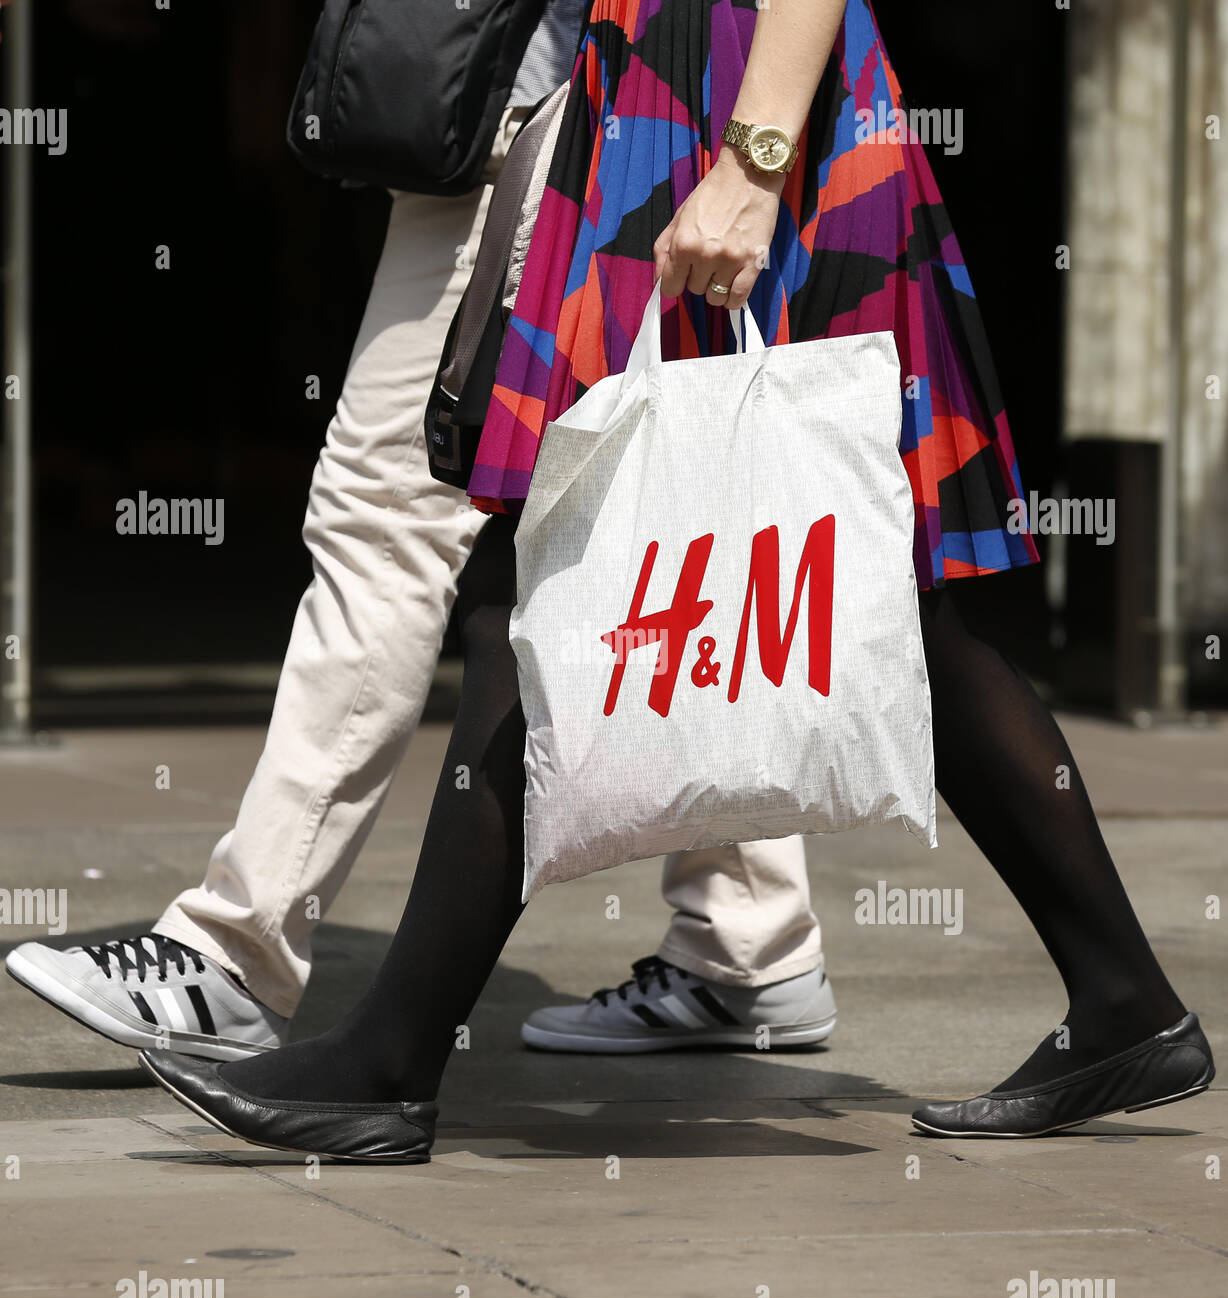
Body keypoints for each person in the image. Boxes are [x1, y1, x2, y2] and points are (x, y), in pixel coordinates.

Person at [139, 0, 1212, 1160]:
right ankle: (1123, 1000)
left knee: (556, 586)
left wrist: (752, 162)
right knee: (858, 610)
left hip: (737, 114)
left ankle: (389, 1062)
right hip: (659, 99)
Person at [4, 0, 836, 1062]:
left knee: (391, 517)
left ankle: (236, 951)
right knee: (642, 533)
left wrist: (755, 160)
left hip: (559, 107)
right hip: (557, 108)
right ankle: (749, 940)